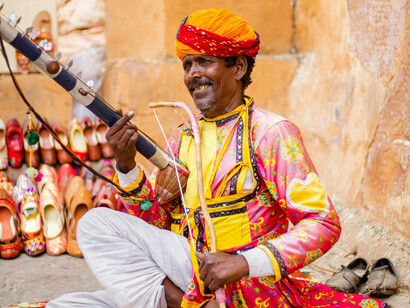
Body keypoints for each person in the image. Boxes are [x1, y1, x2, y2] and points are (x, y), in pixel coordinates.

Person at [47, 8, 388, 308]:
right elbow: (153, 229)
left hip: (249, 286)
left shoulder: (271, 133)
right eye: (187, 65)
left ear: (238, 66)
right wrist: (126, 167)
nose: (193, 74)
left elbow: (323, 223)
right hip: (190, 276)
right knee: (66, 304)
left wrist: (243, 263)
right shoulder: (183, 138)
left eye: (204, 62)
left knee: (93, 224)